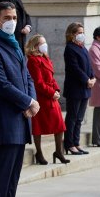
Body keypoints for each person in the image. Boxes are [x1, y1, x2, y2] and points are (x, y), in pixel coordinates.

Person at [0, 1, 39, 197]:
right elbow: (1, 84)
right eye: (7, 18)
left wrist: (31, 100)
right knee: (2, 176)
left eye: (14, 18)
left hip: (21, 119)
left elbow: (26, 76)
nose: (11, 22)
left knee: (13, 177)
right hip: (6, 120)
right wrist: (28, 102)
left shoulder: (14, 44)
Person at [25, 34, 69, 165]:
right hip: (41, 97)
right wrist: (51, 92)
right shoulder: (33, 60)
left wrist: (56, 90)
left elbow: (51, 77)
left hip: (51, 95)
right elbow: (38, 82)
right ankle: (39, 152)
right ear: (35, 46)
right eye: (41, 43)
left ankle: (58, 151)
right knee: (38, 126)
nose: (45, 45)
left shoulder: (45, 58)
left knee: (60, 125)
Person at [63, 22, 95, 155]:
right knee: (72, 117)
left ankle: (76, 142)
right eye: (78, 33)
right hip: (75, 88)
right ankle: (69, 144)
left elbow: (89, 65)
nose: (81, 35)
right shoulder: (70, 48)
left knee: (79, 118)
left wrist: (92, 78)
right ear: (72, 34)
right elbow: (74, 68)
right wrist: (86, 80)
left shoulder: (83, 48)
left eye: (82, 32)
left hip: (85, 88)